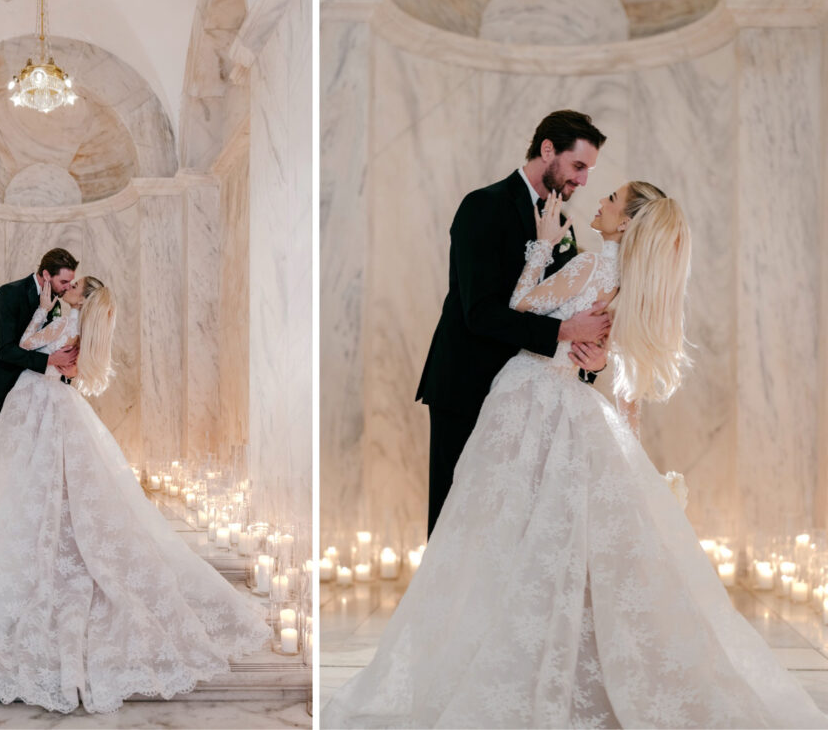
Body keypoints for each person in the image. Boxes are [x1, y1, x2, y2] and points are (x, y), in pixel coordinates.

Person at [322, 184, 828, 728]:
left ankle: (514, 657)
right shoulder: (631, 286)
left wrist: (541, 246)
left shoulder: (590, 266)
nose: (602, 200)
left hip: (529, 397)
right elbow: (626, 389)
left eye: (611, 198)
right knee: (556, 542)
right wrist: (628, 449)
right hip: (576, 407)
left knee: (503, 536)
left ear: (625, 225)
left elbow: (520, 307)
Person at [0, 275, 270, 714]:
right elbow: (62, 363)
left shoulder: (65, 319)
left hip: (39, 401)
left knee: (36, 481)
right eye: (69, 283)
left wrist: (43, 312)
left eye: (74, 287)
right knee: (53, 483)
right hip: (54, 401)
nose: (69, 288)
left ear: (82, 298)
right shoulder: (84, 327)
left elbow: (25, 344)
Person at [416, 110, 614, 536]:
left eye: (588, 171)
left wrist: (590, 361)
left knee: (514, 533)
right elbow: (480, 312)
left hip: (529, 397)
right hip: (469, 385)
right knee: (458, 525)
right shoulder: (483, 205)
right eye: (578, 166)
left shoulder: (562, 222)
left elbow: (561, 306)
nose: (583, 181)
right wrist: (564, 333)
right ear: (548, 151)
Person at [0, 248, 80, 471]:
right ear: (46, 275)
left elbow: (50, 346)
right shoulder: (9, 293)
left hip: (27, 394)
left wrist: (65, 372)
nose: (68, 287)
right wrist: (49, 361)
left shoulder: (56, 305)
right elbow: (5, 350)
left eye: (71, 282)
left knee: (19, 464)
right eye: (64, 281)